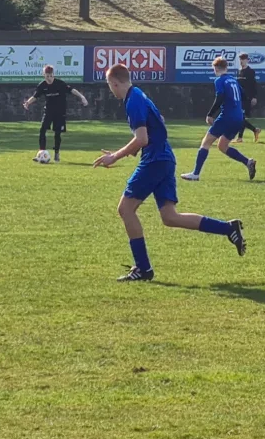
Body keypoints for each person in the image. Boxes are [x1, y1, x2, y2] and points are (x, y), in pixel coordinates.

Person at [94, 62, 245, 282]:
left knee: (125, 209)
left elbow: (142, 138)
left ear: (114, 83)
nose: (110, 90)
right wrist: (135, 149)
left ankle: (143, 268)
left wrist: (115, 156)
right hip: (164, 157)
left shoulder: (132, 101)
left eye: (110, 85)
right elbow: (159, 123)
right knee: (170, 217)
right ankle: (228, 228)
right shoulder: (138, 94)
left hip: (155, 160)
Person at [181, 55, 256, 182]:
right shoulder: (233, 80)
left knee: (206, 143)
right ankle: (248, 162)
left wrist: (210, 114)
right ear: (226, 67)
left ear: (215, 68)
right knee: (222, 146)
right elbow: (244, 97)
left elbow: (220, 97)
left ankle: (195, 174)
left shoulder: (219, 81)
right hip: (238, 118)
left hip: (227, 117)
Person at [22, 63, 88, 161]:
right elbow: (35, 96)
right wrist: (28, 102)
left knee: (57, 133)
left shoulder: (60, 84)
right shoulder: (42, 85)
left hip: (60, 112)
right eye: (47, 76)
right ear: (44, 75)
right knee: (42, 130)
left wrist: (82, 97)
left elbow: (72, 90)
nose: (49, 78)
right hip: (48, 111)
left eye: (51, 76)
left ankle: (56, 153)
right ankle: (41, 153)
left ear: (53, 75)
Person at [237, 59, 262, 143]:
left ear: (247, 60)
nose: (241, 62)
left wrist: (254, 97)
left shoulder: (250, 71)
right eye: (240, 60)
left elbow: (254, 85)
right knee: (241, 118)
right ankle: (254, 131)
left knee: (241, 118)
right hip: (239, 98)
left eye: (243, 60)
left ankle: (241, 137)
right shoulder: (239, 71)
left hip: (247, 98)